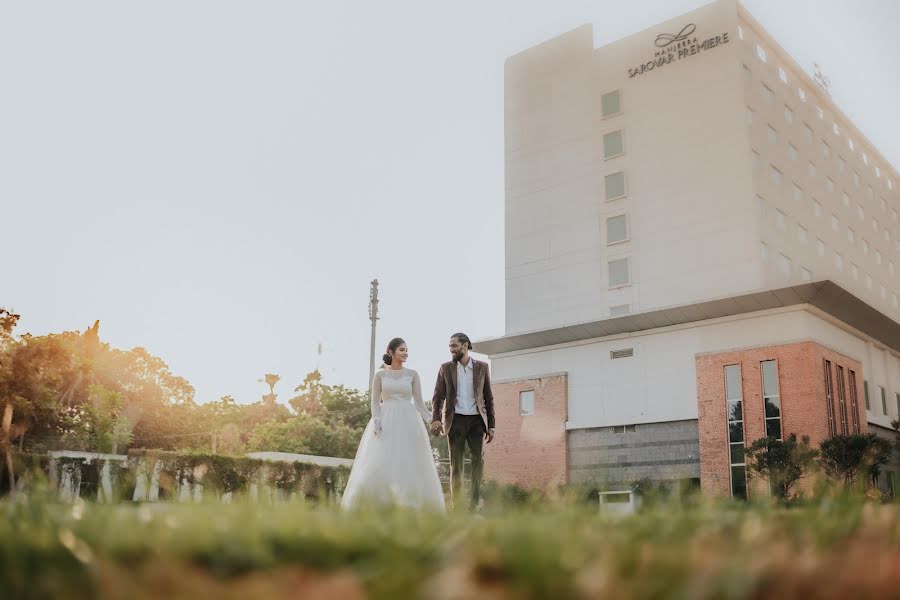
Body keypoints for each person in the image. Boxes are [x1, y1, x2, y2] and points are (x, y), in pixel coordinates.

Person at [341, 337, 446, 512]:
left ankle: (410, 505)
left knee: (409, 461)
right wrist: (377, 422)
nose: (405, 353)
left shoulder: (413, 374)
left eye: (406, 350)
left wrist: (431, 421)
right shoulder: (380, 374)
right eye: (401, 350)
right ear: (391, 351)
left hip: (409, 420)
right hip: (386, 418)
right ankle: (378, 503)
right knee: (382, 459)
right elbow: (375, 402)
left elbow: (419, 403)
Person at [430, 333, 496, 510]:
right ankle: (457, 506)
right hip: (455, 420)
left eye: (454, 345)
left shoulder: (482, 367)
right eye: (450, 346)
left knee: (477, 463)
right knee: (456, 466)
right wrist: (435, 419)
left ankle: (473, 505)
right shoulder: (446, 368)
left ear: (465, 345)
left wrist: (492, 426)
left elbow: (488, 397)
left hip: (476, 421)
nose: (451, 349)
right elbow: (438, 397)